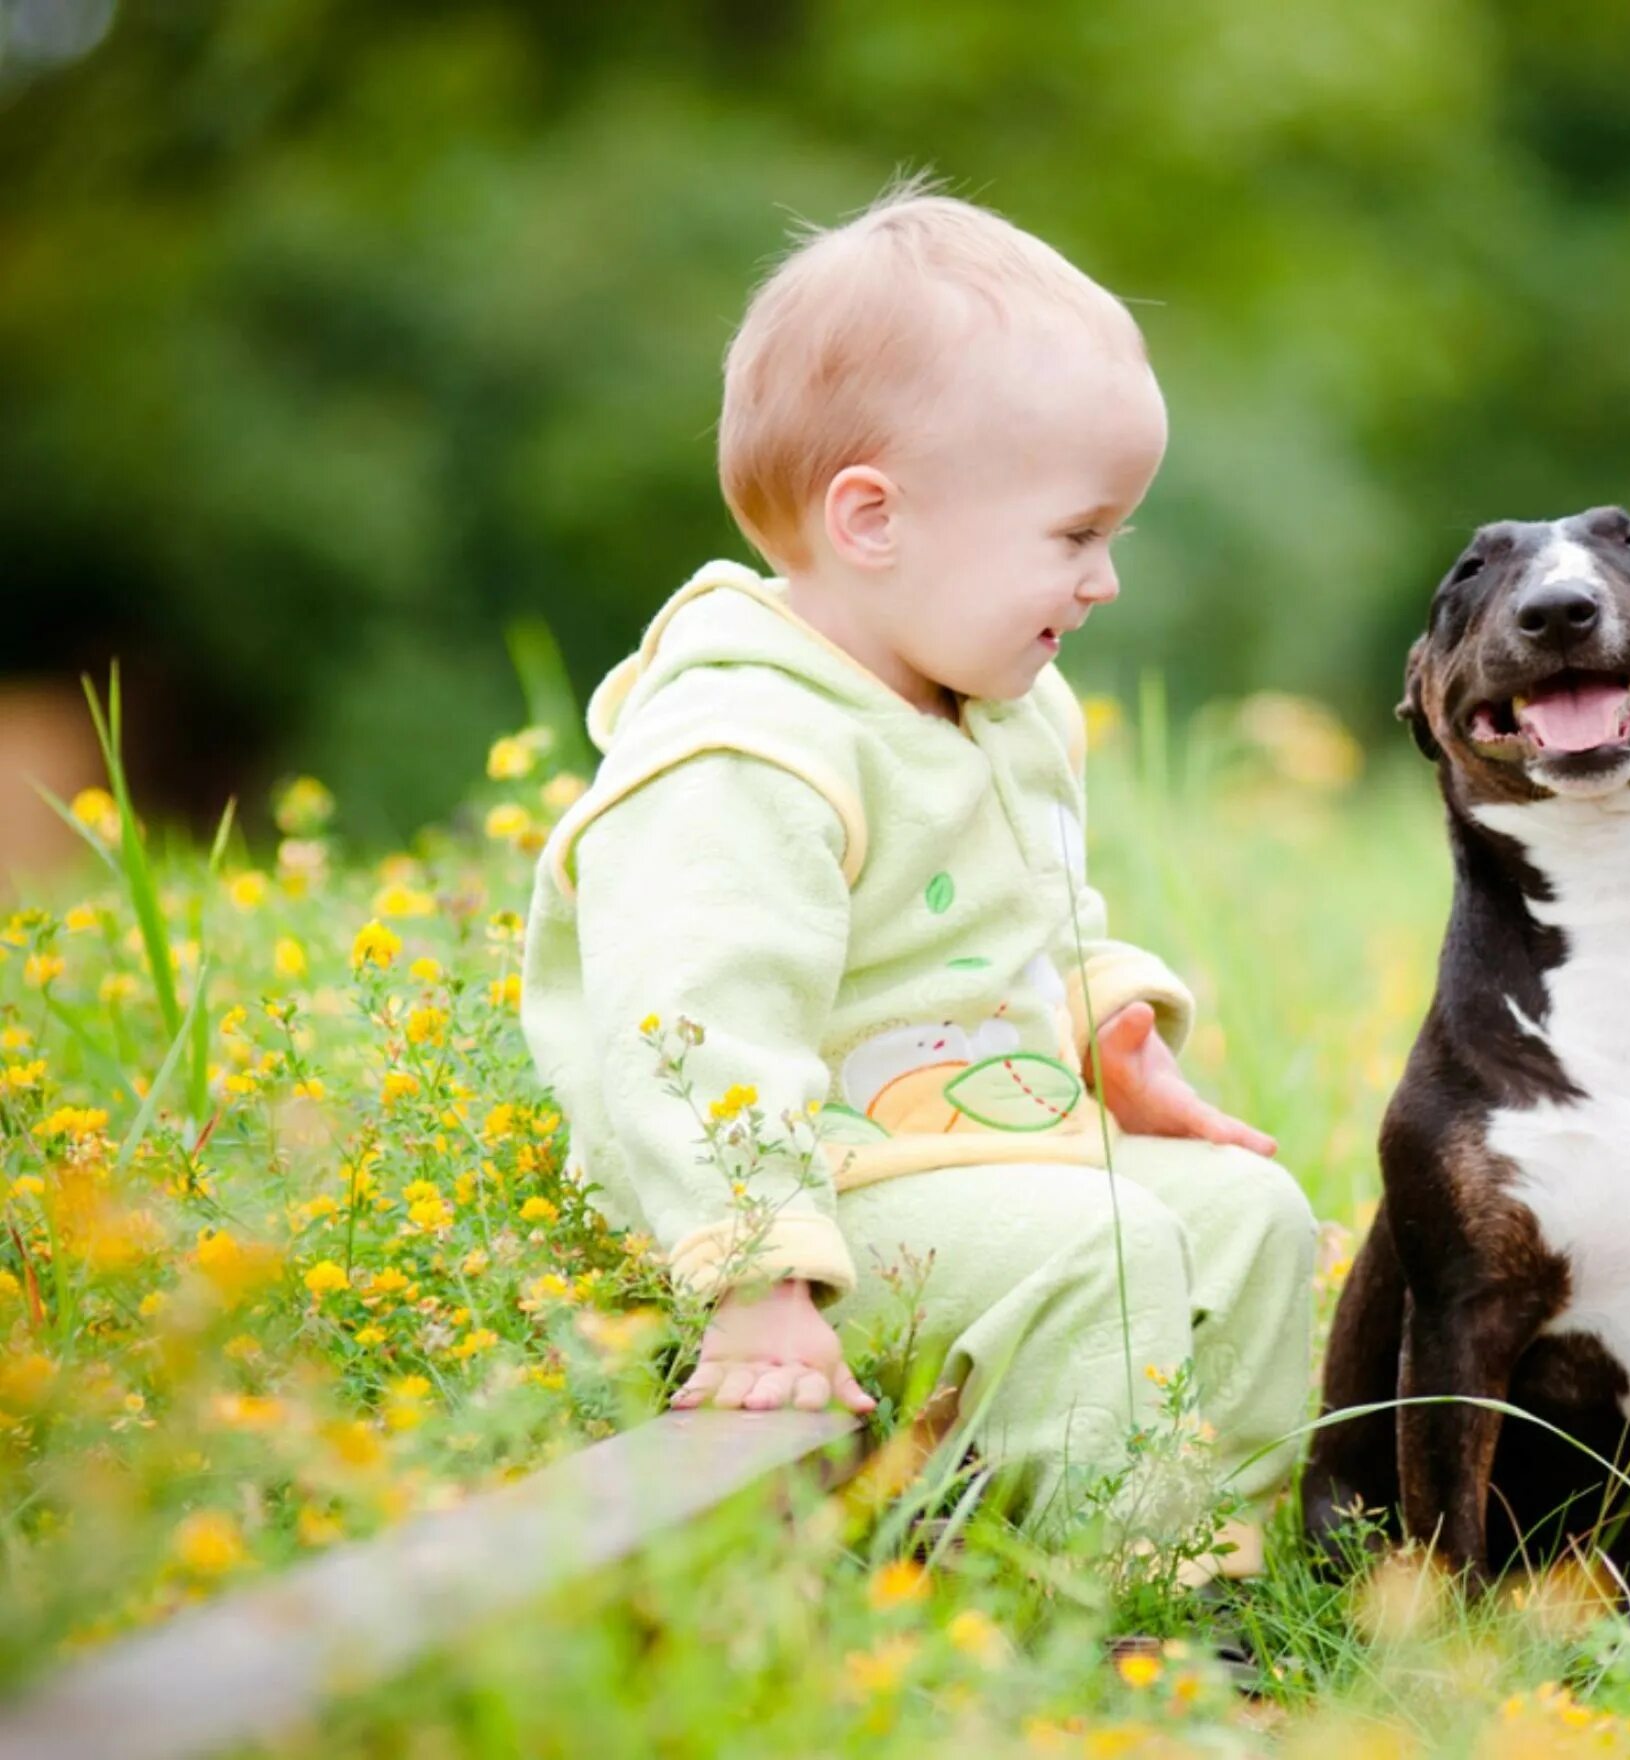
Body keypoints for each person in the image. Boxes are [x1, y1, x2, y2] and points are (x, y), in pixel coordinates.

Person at [519, 179, 1316, 1524]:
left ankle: (1212, 1577)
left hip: (981, 1158)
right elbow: (690, 1030)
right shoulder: (745, 745)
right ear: (873, 521)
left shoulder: (1004, 709)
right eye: (1076, 534)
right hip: (806, 1204)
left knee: (1253, 1214)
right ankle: (1090, 1607)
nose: (1104, 580)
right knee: (1103, 1253)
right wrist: (761, 1280)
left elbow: (1037, 918)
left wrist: (1107, 1025)